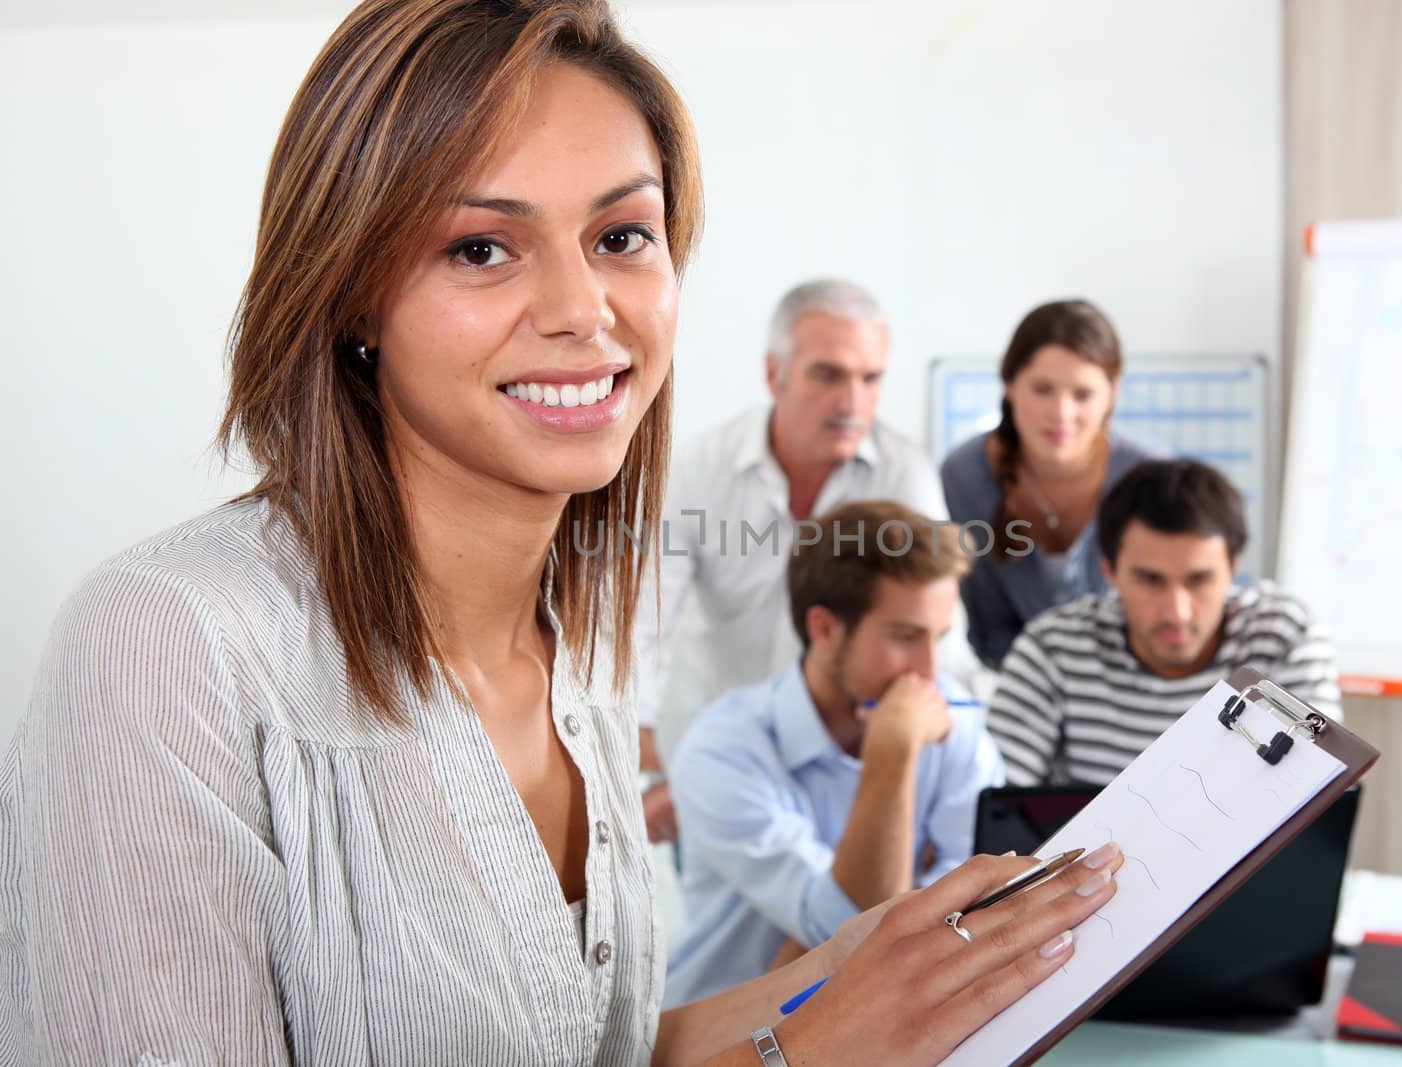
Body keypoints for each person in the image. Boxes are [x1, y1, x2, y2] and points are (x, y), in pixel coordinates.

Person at [0, 2, 1121, 1064]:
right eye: (482, 247)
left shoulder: (572, 660)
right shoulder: (166, 645)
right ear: (347, 291)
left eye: (622, 234)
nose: (585, 310)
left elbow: (591, 1047)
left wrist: (856, 966)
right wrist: (813, 1049)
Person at [634, 278, 975, 843]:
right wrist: (649, 771)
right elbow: (635, 626)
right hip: (717, 763)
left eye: (870, 379)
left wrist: (945, 752)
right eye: (828, 375)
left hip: (846, 768)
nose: (852, 403)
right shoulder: (696, 471)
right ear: (775, 374)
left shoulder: (905, 476)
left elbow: (940, 635)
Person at [664, 501, 1006, 1007]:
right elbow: (857, 930)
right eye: (905, 637)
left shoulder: (955, 724)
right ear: (824, 629)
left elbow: (985, 905)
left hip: (883, 1032)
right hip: (718, 1039)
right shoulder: (723, 751)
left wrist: (846, 921)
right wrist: (892, 751)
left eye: (939, 638)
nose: (929, 671)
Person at [987, 459, 1342, 787]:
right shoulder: (1054, 647)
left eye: (1199, 579)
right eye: (1150, 580)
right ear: (1109, 570)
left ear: (1234, 567)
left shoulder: (1285, 635)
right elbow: (997, 801)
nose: (1177, 612)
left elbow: (1317, 793)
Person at [941, 299, 1165, 669]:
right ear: (1009, 385)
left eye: (1083, 394)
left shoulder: (1150, 473)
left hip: (1133, 684)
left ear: (1113, 392)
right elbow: (988, 627)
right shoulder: (964, 475)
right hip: (1016, 681)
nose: (1061, 413)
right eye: (1043, 389)